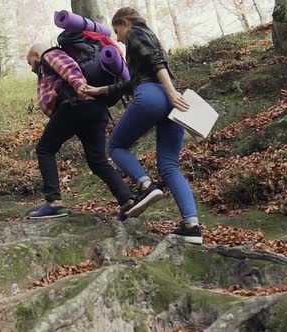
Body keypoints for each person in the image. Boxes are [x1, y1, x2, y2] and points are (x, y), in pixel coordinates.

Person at [80, 7, 202, 244]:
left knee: (116, 146)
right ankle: (192, 226)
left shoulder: (136, 32)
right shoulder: (151, 39)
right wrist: (99, 90)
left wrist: (171, 91)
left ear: (125, 22)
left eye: (117, 31)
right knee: (169, 165)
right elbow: (130, 83)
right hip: (170, 103)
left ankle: (146, 185)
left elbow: (156, 66)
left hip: (155, 96)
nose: (117, 37)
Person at [26, 43, 156, 220]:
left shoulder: (50, 54)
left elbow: (68, 67)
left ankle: (54, 203)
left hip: (75, 106)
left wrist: (79, 85)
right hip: (95, 109)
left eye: (30, 63)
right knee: (97, 161)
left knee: (45, 149)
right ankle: (127, 201)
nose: (32, 68)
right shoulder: (50, 62)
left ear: (35, 54)